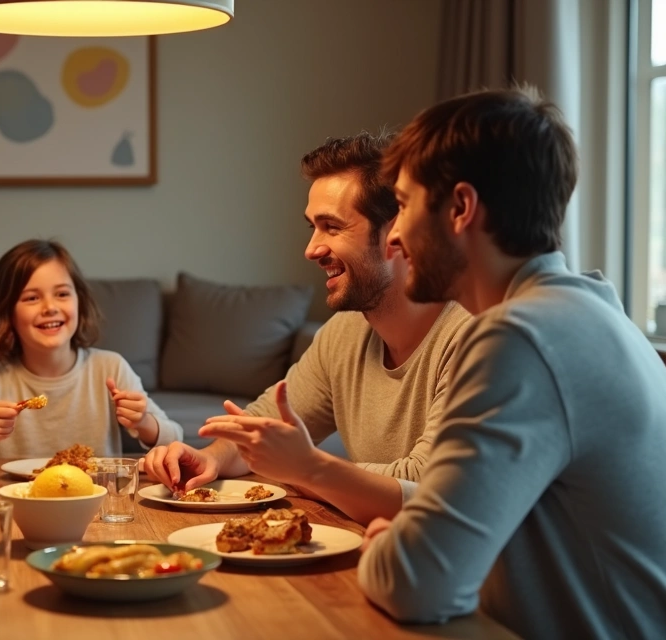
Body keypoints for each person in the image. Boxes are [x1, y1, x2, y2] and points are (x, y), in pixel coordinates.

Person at [360, 86, 666, 638]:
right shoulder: (592, 310)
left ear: (460, 207)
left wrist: (388, 547)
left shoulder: (521, 337)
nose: (395, 237)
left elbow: (415, 583)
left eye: (403, 205)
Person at [142, 133, 473, 524]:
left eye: (331, 227)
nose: (311, 249)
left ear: (395, 232)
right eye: (312, 227)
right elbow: (267, 423)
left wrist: (305, 468)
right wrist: (209, 458)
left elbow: (426, 488)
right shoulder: (343, 333)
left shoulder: (470, 336)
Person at [0, 239, 183, 464]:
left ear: (80, 301)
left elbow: (176, 439)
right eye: (32, 298)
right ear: (6, 313)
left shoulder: (110, 368)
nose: (50, 307)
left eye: (62, 294)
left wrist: (143, 422)